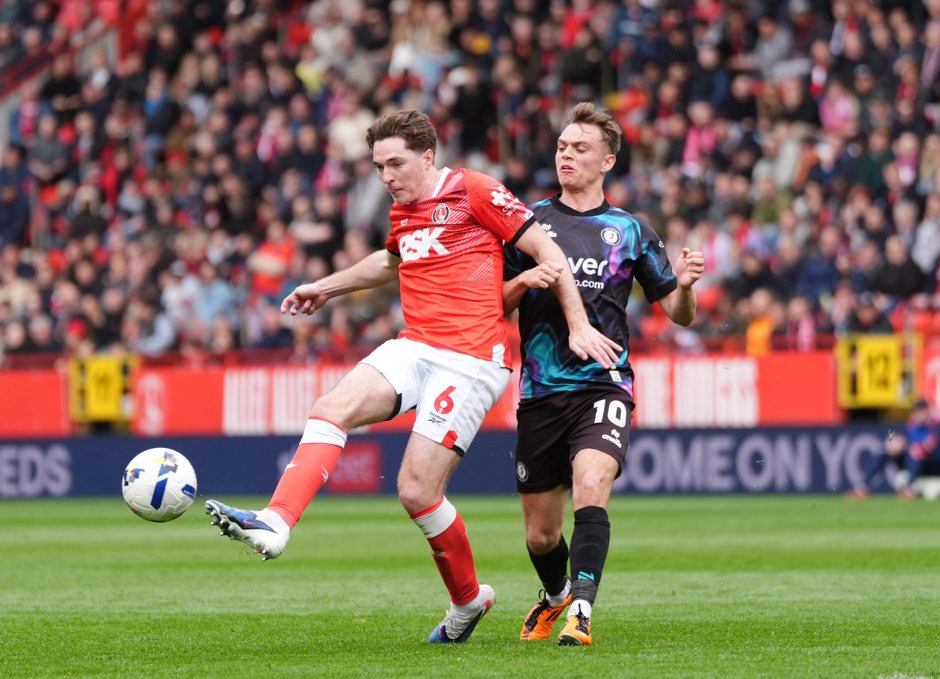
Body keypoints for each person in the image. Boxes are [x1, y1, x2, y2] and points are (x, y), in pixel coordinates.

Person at [205, 109, 621, 644]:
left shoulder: (474, 190)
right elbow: (390, 261)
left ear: (428, 156)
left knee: (415, 491)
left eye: (395, 164)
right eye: (379, 167)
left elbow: (548, 250)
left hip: (472, 358)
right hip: (416, 345)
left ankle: (467, 601)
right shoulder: (403, 210)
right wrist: (324, 287)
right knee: (330, 409)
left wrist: (578, 324)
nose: (386, 176)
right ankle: (277, 521)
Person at [502, 102, 705, 646]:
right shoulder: (527, 224)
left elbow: (678, 313)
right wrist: (524, 283)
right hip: (541, 390)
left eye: (580, 148)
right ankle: (555, 597)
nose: (566, 155)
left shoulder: (630, 230)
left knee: (592, 484)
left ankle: (581, 611)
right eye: (562, 146)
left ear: (607, 161)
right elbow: (493, 303)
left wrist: (685, 286)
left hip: (604, 383)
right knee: (541, 535)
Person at [849, 399, 940, 499]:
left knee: (915, 452)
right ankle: (862, 487)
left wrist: (910, 446)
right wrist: (896, 444)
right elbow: (900, 437)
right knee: (884, 451)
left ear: (926, 411)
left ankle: (909, 489)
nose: (917, 415)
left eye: (920, 412)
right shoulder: (912, 424)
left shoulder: (935, 425)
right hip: (912, 461)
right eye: (916, 412)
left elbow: (929, 446)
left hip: (933, 463)